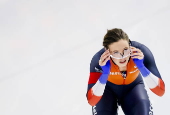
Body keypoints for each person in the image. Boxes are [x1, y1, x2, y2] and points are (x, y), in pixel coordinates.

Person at [86, 28, 165, 115]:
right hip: (106, 91)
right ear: (107, 51)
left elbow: (160, 91)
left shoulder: (140, 52)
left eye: (126, 49)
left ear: (130, 45)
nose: (122, 56)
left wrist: (141, 67)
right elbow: (92, 101)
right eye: (116, 52)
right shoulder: (99, 60)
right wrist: (105, 74)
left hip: (133, 88)